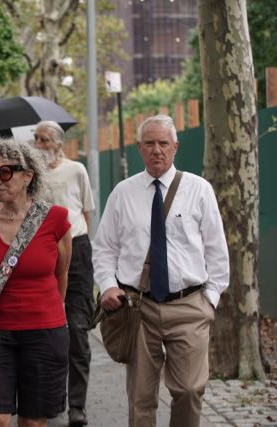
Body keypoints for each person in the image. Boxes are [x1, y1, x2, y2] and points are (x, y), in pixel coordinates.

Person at [92, 115, 229, 427]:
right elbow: (104, 248)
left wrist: (210, 299)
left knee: (190, 390)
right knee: (141, 398)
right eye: (150, 143)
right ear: (139, 147)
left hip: (189, 306)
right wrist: (108, 285)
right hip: (139, 308)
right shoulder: (123, 193)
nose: (157, 150)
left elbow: (217, 250)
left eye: (163, 143)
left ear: (175, 147)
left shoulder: (199, 189)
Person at [0, 139, 72, 427]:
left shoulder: (55, 218)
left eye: (5, 172)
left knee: (32, 421)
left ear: (27, 176)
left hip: (44, 333)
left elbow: (62, 274)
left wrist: (50, 312)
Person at [34, 120, 95, 426]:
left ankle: (77, 405)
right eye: (36, 139)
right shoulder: (31, 175)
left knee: (78, 330)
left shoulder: (76, 170)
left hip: (77, 249)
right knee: (46, 330)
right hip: (43, 251)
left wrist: (76, 245)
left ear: (58, 143)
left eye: (45, 139)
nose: (39, 144)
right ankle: (52, 398)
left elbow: (86, 212)